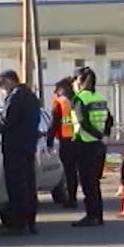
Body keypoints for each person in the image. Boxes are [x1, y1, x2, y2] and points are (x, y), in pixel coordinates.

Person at [0, 69, 41, 235]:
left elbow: (7, 121)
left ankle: (18, 224)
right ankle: (30, 222)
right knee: (29, 184)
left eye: (3, 84)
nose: (3, 89)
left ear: (8, 81)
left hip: (15, 146)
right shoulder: (31, 96)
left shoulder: (15, 97)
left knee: (16, 186)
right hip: (28, 145)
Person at [70, 67, 113, 227]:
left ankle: (91, 215)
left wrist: (97, 135)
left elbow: (82, 122)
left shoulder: (80, 98)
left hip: (85, 144)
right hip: (99, 146)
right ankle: (98, 215)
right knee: (95, 182)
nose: (73, 84)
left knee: (88, 183)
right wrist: (104, 135)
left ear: (79, 81)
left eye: (74, 81)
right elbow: (109, 119)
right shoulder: (99, 97)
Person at [47, 77, 78, 208]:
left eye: (57, 90)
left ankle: (72, 199)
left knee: (69, 171)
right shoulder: (79, 99)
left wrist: (49, 141)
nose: (56, 93)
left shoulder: (60, 102)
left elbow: (54, 123)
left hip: (66, 141)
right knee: (79, 171)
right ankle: (83, 198)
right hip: (82, 139)